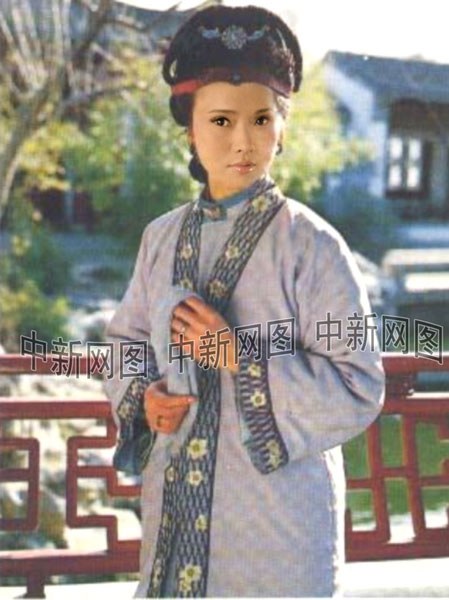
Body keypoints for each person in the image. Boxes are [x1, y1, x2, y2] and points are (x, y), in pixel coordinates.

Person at [104, 5, 385, 597]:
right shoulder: (160, 238)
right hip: (175, 506)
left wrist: (238, 357)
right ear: (190, 130)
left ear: (282, 128)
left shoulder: (312, 245)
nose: (243, 140)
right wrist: (144, 396)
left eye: (261, 118)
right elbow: (126, 342)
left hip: (276, 522)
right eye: (221, 120)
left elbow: (359, 383)